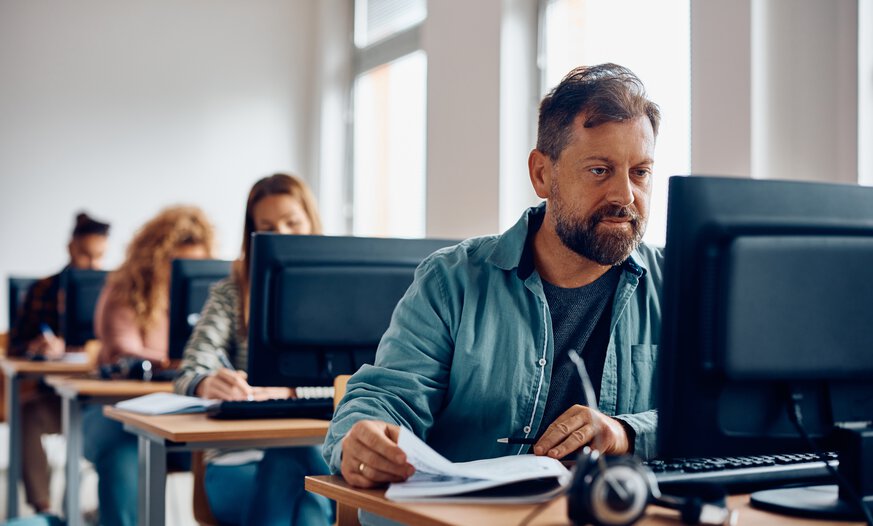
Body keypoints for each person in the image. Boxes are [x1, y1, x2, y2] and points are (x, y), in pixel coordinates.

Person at [324, 64, 663, 492]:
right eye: (600, 170)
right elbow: (387, 398)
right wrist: (362, 438)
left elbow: (724, 419)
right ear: (542, 174)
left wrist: (625, 433)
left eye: (640, 172)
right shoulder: (451, 281)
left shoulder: (677, 286)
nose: (625, 195)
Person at [174, 173, 333, 525]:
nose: (285, 235)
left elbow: (360, 381)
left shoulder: (341, 293)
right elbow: (188, 371)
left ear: (311, 221)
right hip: (236, 462)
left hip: (323, 458)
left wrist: (290, 392)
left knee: (306, 485)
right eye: (270, 228)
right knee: (305, 499)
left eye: (293, 222)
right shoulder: (231, 294)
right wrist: (205, 383)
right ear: (254, 235)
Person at [82, 205, 214, 526]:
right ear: (154, 257)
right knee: (126, 451)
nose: (184, 273)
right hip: (114, 412)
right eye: (176, 263)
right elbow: (126, 350)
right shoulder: (125, 291)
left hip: (185, 414)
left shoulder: (212, 297)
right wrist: (182, 363)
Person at [8, 212, 109, 514]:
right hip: (57, 399)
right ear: (71, 248)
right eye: (85, 255)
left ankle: (98, 510)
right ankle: (44, 510)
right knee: (27, 414)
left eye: (99, 257)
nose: (92, 265)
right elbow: (14, 345)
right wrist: (38, 348)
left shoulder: (113, 291)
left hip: (101, 399)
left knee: (122, 430)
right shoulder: (43, 289)